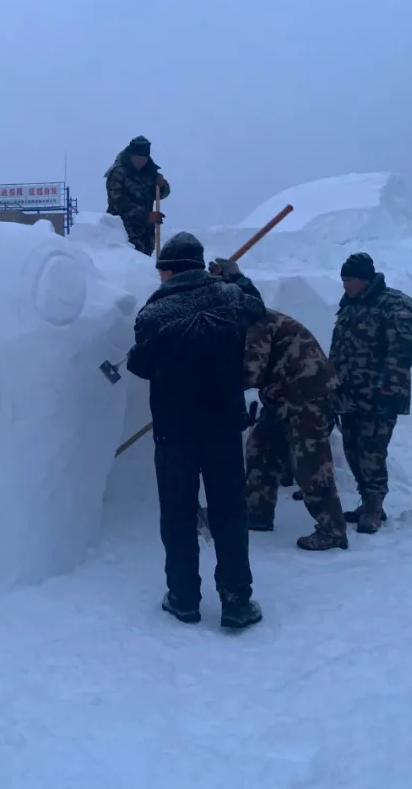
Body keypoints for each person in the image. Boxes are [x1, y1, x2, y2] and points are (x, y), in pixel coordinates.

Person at [125, 232, 266, 629]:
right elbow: (259, 310)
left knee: (178, 514)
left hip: (175, 431)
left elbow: (139, 366)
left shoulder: (153, 314)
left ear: (170, 271)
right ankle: (236, 600)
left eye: (161, 271)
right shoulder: (231, 298)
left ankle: (184, 598)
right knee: (229, 513)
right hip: (222, 426)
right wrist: (236, 279)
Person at [209, 259, 351, 551]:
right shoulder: (246, 315)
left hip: (310, 396)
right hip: (282, 396)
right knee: (260, 448)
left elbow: (250, 373)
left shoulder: (254, 323)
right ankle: (256, 513)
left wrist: (206, 384)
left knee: (310, 462)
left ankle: (333, 530)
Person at [328, 252, 412, 534]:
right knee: (353, 450)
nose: (345, 286)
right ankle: (366, 502)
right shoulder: (349, 306)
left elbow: (402, 352)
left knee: (372, 452)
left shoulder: (393, 304)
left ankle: (374, 507)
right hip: (350, 394)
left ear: (365, 279)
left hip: (379, 396)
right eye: (343, 280)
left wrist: (386, 389)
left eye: (350, 280)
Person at [104, 136, 170, 257]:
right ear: (131, 155)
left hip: (145, 235)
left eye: (144, 158)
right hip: (123, 233)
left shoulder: (150, 173)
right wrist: (146, 216)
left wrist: (162, 185)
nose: (142, 161)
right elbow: (118, 203)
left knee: (144, 268)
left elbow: (161, 195)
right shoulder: (118, 172)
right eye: (138, 158)